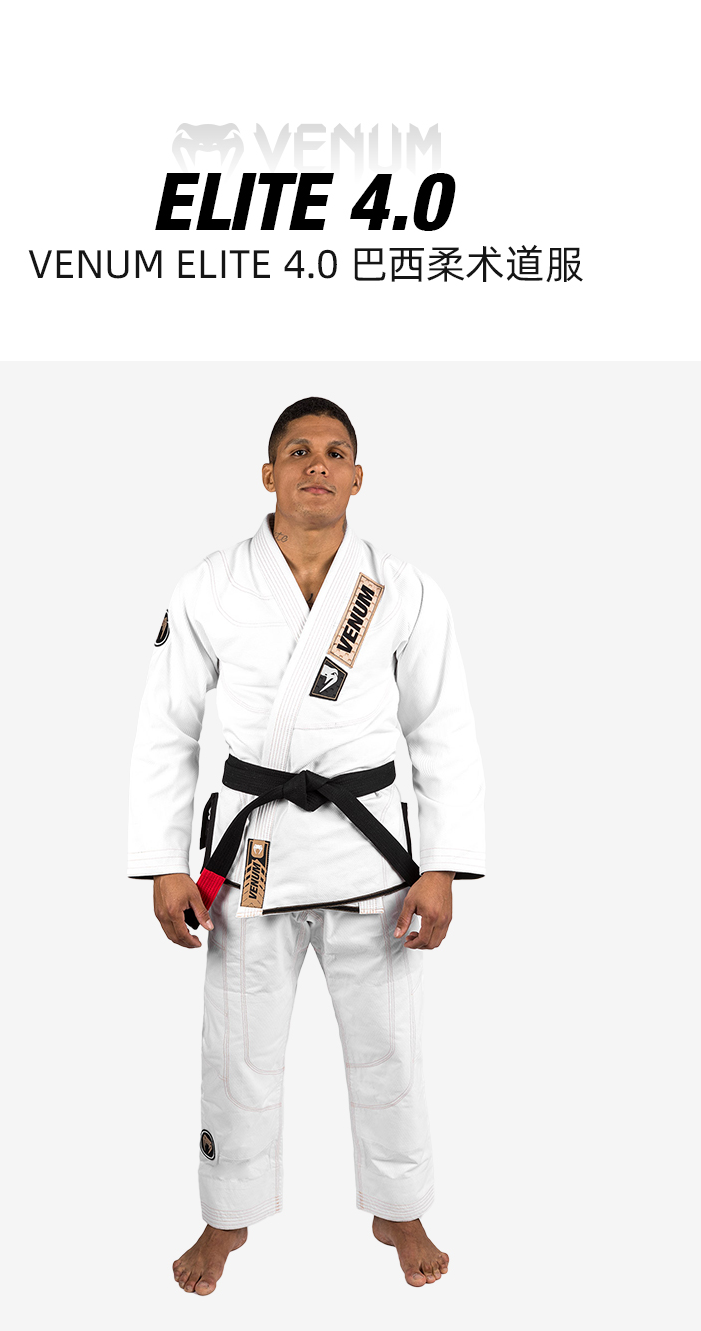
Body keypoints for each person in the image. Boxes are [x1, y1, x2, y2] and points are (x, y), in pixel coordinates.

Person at [128, 396, 485, 1293]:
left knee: (389, 1047)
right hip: (255, 852)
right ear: (269, 474)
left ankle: (400, 1208)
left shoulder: (402, 590)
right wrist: (166, 862)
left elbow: (442, 729)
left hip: (373, 856)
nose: (315, 464)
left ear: (358, 477)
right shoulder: (211, 585)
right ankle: (226, 1216)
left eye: (333, 451)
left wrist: (441, 864)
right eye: (297, 450)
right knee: (236, 1051)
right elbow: (167, 727)